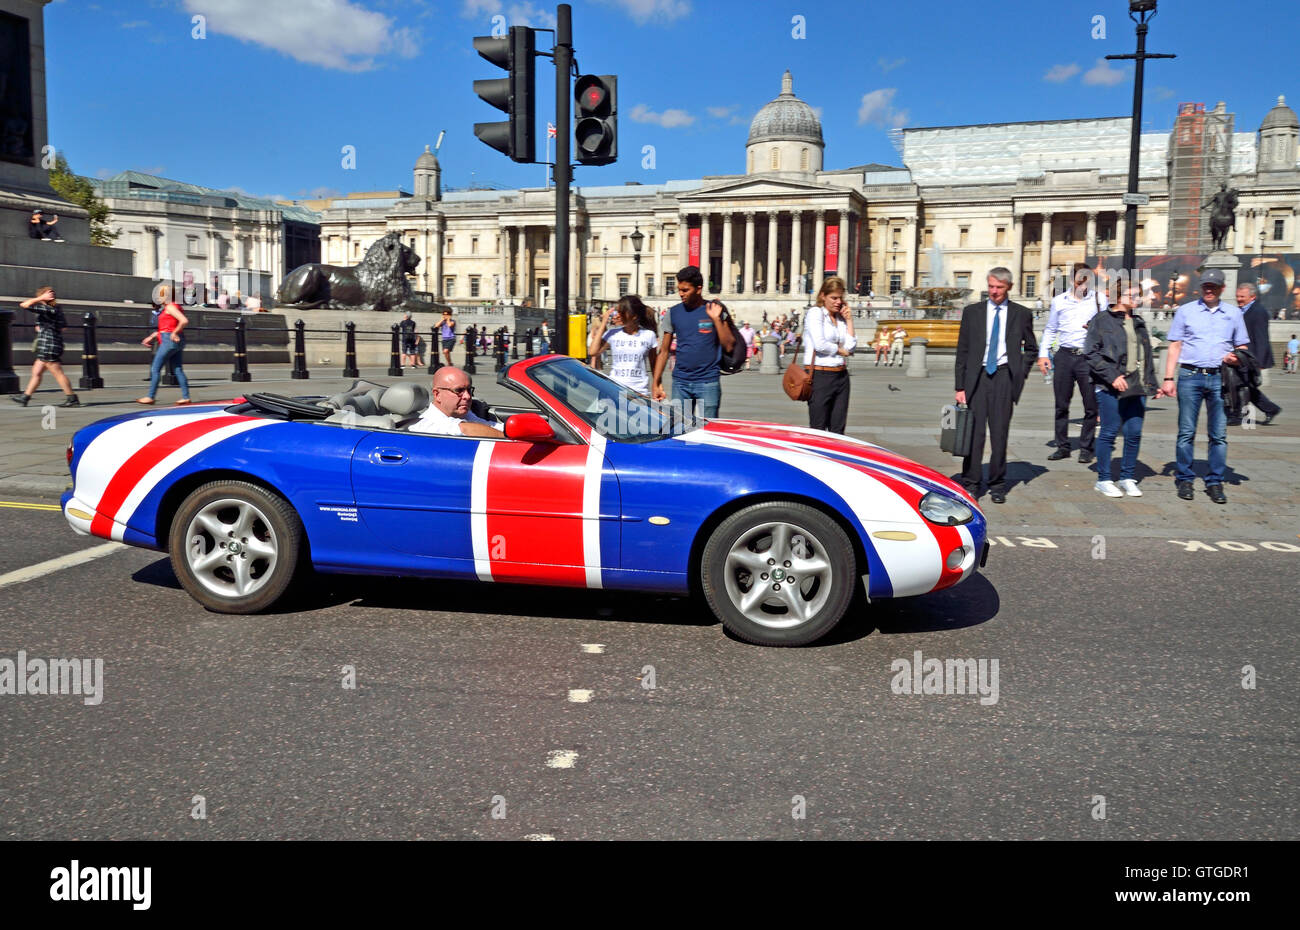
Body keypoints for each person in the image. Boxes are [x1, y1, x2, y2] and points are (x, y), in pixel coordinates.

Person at [1156, 268, 1249, 504]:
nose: (1209, 290)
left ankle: (1215, 481)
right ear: (1200, 287)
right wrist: (1168, 379)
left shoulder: (1234, 313)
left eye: (1214, 287)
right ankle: (1185, 478)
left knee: (1218, 434)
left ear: (1222, 289)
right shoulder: (1186, 311)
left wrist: (1236, 357)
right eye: (1206, 286)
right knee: (1186, 431)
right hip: (1190, 376)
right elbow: (1175, 345)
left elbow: (1242, 347)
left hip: (1221, 378)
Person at [954, 268, 1038, 503]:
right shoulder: (973, 312)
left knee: (999, 434)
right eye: (991, 286)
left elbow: (1032, 348)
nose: (993, 291)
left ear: (1009, 287)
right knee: (974, 433)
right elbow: (963, 350)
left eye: (999, 288)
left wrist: (1018, 373)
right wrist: (960, 386)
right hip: (977, 378)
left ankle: (998, 483)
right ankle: (971, 482)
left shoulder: (1021, 314)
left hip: (1003, 377)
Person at [1084, 278, 1157, 498]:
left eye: (1138, 295)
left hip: (1137, 385)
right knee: (1108, 432)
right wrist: (1112, 376)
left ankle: (1127, 477)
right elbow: (1091, 352)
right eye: (1132, 295)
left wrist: (1154, 384)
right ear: (1118, 296)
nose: (1137, 299)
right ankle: (1104, 479)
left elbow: (1145, 357)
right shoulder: (1102, 320)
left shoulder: (1138, 322)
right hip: (1110, 386)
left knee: (1134, 432)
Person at [1041, 263, 1106, 464]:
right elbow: (1051, 329)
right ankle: (1062, 445)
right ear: (1071, 280)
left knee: (1091, 405)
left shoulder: (1099, 299)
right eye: (1079, 279)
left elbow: (1107, 328)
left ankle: (1086, 447)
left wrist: (1095, 329)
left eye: (1086, 279)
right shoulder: (1059, 301)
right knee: (1061, 404)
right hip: (1064, 355)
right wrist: (1043, 354)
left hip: (1088, 357)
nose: (1082, 283)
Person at [651, 265, 735, 418]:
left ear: (698, 289)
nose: (680, 294)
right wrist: (656, 382)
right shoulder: (673, 313)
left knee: (707, 430)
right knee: (680, 430)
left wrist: (716, 319)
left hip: (708, 382)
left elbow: (728, 345)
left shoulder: (714, 310)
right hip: (680, 383)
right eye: (679, 289)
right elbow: (664, 351)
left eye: (685, 290)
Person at [803, 276, 856, 434]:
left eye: (840, 298)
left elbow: (851, 346)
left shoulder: (840, 318)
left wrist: (850, 320)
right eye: (833, 297)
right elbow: (819, 344)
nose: (838, 302)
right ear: (822, 296)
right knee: (818, 428)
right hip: (820, 375)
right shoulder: (815, 313)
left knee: (838, 429)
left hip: (841, 376)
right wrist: (840, 350)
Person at [10, 286, 79, 407]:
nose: (51, 294)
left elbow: (24, 305)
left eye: (51, 293)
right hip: (48, 343)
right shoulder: (54, 308)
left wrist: (40, 297)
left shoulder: (50, 307)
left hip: (49, 344)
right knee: (36, 372)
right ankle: (25, 397)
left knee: (57, 373)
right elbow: (63, 327)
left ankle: (72, 398)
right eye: (48, 292)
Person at [588, 295, 658, 394]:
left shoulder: (649, 335)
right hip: (614, 389)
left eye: (621, 312)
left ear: (634, 316)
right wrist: (603, 322)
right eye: (617, 312)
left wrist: (657, 386)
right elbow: (592, 352)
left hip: (639, 391)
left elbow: (654, 365)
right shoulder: (613, 333)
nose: (617, 315)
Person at [409, 366, 502, 437]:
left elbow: (488, 425)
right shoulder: (425, 426)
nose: (468, 396)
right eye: (458, 390)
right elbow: (465, 429)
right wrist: (505, 436)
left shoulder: (463, 414)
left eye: (469, 390)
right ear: (437, 395)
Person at [137, 286, 192, 405]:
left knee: (155, 368)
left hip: (169, 341)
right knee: (178, 369)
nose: (158, 297)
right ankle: (186, 397)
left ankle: (150, 396)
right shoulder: (173, 307)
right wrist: (152, 336)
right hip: (175, 340)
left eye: (160, 294)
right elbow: (166, 327)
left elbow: (184, 321)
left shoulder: (170, 307)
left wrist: (174, 332)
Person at [1236, 283, 1281, 425]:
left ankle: (1268, 408)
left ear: (1252, 297)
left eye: (1242, 296)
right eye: (1237, 296)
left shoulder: (1258, 311)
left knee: (1244, 386)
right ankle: (1270, 409)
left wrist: (1259, 362)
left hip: (1251, 357)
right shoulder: (1242, 310)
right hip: (1242, 356)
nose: (1239, 299)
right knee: (1244, 385)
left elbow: (1261, 338)